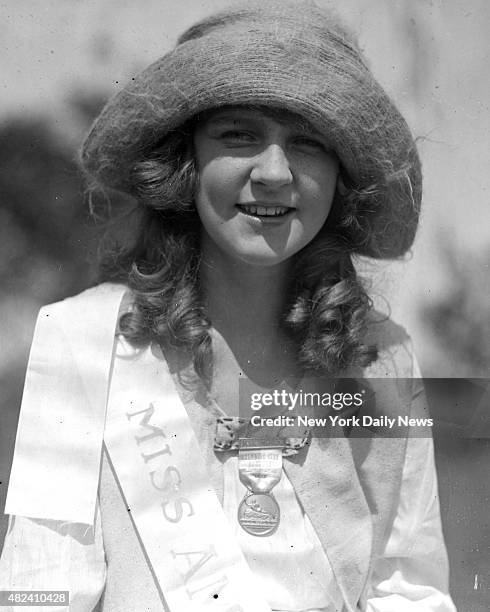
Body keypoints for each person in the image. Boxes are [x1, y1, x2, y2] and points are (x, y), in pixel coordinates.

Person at [0, 2, 456, 611]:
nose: (273, 172)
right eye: (238, 135)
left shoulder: (383, 361)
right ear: (184, 164)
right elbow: (38, 592)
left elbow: (410, 590)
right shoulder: (80, 341)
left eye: (309, 144)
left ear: (341, 176)